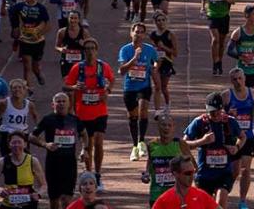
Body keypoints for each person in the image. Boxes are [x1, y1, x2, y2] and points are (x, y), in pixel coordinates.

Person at [62, 38, 115, 192]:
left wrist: (108, 91)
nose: (90, 51)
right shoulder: (77, 68)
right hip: (83, 113)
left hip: (100, 111)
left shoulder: (103, 67)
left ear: (96, 50)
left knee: (98, 143)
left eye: (92, 48)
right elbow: (65, 86)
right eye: (87, 49)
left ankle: (97, 175)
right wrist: (73, 86)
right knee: (88, 145)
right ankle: (89, 174)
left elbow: (112, 80)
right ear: (84, 52)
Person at [183, 92, 246, 209]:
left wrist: (237, 147)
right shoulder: (198, 122)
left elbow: (243, 137)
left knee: (221, 201)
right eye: (212, 111)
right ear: (206, 109)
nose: (215, 114)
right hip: (204, 175)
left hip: (223, 174)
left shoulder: (230, 122)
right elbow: (183, 144)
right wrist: (202, 141)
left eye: (218, 110)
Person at [30, 93, 82, 209]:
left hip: (70, 164)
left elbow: (84, 134)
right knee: (54, 201)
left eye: (64, 101)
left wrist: (85, 149)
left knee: (67, 200)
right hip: (53, 164)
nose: (61, 104)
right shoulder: (48, 119)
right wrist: (45, 144)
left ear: (69, 104)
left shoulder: (74, 120)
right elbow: (32, 137)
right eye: (58, 101)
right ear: (53, 105)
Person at [118, 21, 161, 162]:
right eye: (136, 31)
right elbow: (121, 71)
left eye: (142, 32)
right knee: (132, 116)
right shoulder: (125, 50)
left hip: (144, 86)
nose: (139, 34)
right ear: (131, 33)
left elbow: (156, 61)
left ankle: (142, 141)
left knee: (143, 110)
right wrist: (134, 59)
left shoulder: (150, 50)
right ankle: (134, 146)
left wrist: (154, 68)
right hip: (129, 87)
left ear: (144, 35)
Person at [222, 69, 254, 209]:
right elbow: (216, 114)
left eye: (240, 78)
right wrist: (227, 114)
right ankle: (224, 193)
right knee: (234, 170)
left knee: (246, 169)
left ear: (244, 79)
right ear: (231, 81)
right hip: (233, 137)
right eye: (235, 79)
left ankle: (242, 200)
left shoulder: (253, 93)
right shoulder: (227, 95)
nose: (238, 82)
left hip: (249, 136)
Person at [142, 113, 192, 208]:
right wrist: (146, 174)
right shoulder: (151, 145)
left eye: (169, 125)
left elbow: (193, 168)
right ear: (158, 126)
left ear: (174, 127)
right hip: (156, 194)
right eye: (163, 125)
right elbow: (150, 163)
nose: (166, 128)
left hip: (176, 194)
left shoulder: (181, 144)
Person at [9, 0, 50, 95]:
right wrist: (15, 28)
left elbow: (46, 23)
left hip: (38, 41)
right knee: (27, 65)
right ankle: (29, 91)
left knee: (34, 66)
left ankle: (38, 74)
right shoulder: (19, 7)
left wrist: (38, 31)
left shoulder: (41, 8)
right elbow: (12, 14)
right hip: (25, 40)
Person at [0, 132, 46, 209]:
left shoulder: (32, 161)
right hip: (9, 204)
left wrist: (39, 194)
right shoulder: (2, 161)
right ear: (9, 145)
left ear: (25, 144)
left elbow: (44, 185)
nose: (16, 145)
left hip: (28, 204)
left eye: (19, 142)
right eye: (14, 143)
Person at [152, 155, 220, 209]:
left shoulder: (201, 195)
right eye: (188, 173)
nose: (192, 176)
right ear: (176, 174)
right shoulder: (164, 200)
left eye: (193, 172)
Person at [202, 0, 235, 76]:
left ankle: (219, 61)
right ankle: (215, 62)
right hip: (212, 15)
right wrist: (203, 7)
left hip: (224, 16)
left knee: (221, 43)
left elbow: (232, 1)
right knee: (215, 39)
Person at [0, 78, 37, 158]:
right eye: (14, 87)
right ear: (11, 90)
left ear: (24, 90)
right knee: (7, 160)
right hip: (7, 135)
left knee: (25, 159)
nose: (17, 90)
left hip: (22, 134)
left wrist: (36, 132)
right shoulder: (4, 103)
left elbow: (35, 117)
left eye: (20, 87)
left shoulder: (29, 104)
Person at [151, 11, 179, 110]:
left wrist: (164, 48)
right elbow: (151, 49)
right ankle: (157, 110)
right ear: (155, 22)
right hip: (156, 63)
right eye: (158, 20)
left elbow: (175, 53)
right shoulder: (153, 35)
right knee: (157, 87)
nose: (161, 22)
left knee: (163, 87)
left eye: (163, 20)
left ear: (166, 21)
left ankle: (167, 105)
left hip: (167, 63)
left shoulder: (170, 35)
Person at [55, 9, 90, 79]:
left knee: (79, 83)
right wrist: (61, 49)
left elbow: (90, 48)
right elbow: (56, 47)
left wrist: (84, 44)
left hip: (80, 62)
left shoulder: (84, 33)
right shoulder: (62, 32)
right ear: (68, 19)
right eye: (71, 18)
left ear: (79, 20)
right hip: (66, 61)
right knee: (67, 82)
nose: (73, 20)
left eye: (75, 18)